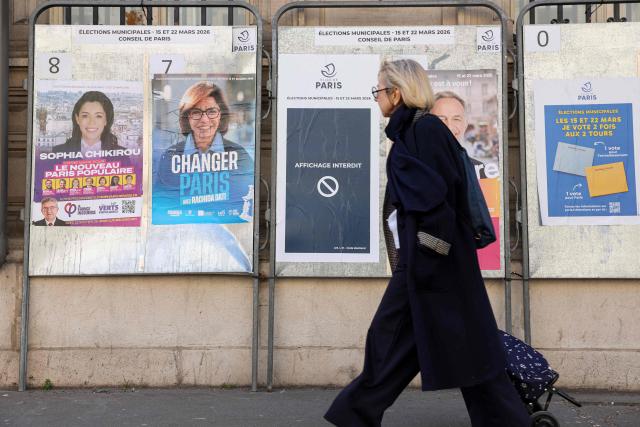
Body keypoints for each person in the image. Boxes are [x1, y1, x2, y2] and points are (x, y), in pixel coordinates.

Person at [324, 59, 530, 427]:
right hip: (435, 261)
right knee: (429, 343)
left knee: (395, 336)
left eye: (379, 91)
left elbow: (437, 198)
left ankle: (356, 413)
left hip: (431, 262)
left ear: (397, 93)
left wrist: (428, 255)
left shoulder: (423, 131)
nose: (377, 98)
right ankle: (358, 413)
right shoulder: (416, 131)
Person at [155, 81, 253, 219]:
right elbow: (162, 207)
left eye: (211, 111)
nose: (204, 120)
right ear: (187, 117)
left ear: (221, 115)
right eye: (196, 112)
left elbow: (246, 206)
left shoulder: (239, 155)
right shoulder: (170, 157)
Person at [430, 91, 488, 179]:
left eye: (456, 119)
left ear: (465, 124)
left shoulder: (479, 170)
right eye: (441, 119)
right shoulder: (414, 170)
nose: (449, 126)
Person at [53, 91, 125, 155]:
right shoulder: (58, 152)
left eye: (98, 116)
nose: (91, 122)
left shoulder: (121, 154)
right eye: (85, 116)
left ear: (106, 120)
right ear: (77, 119)